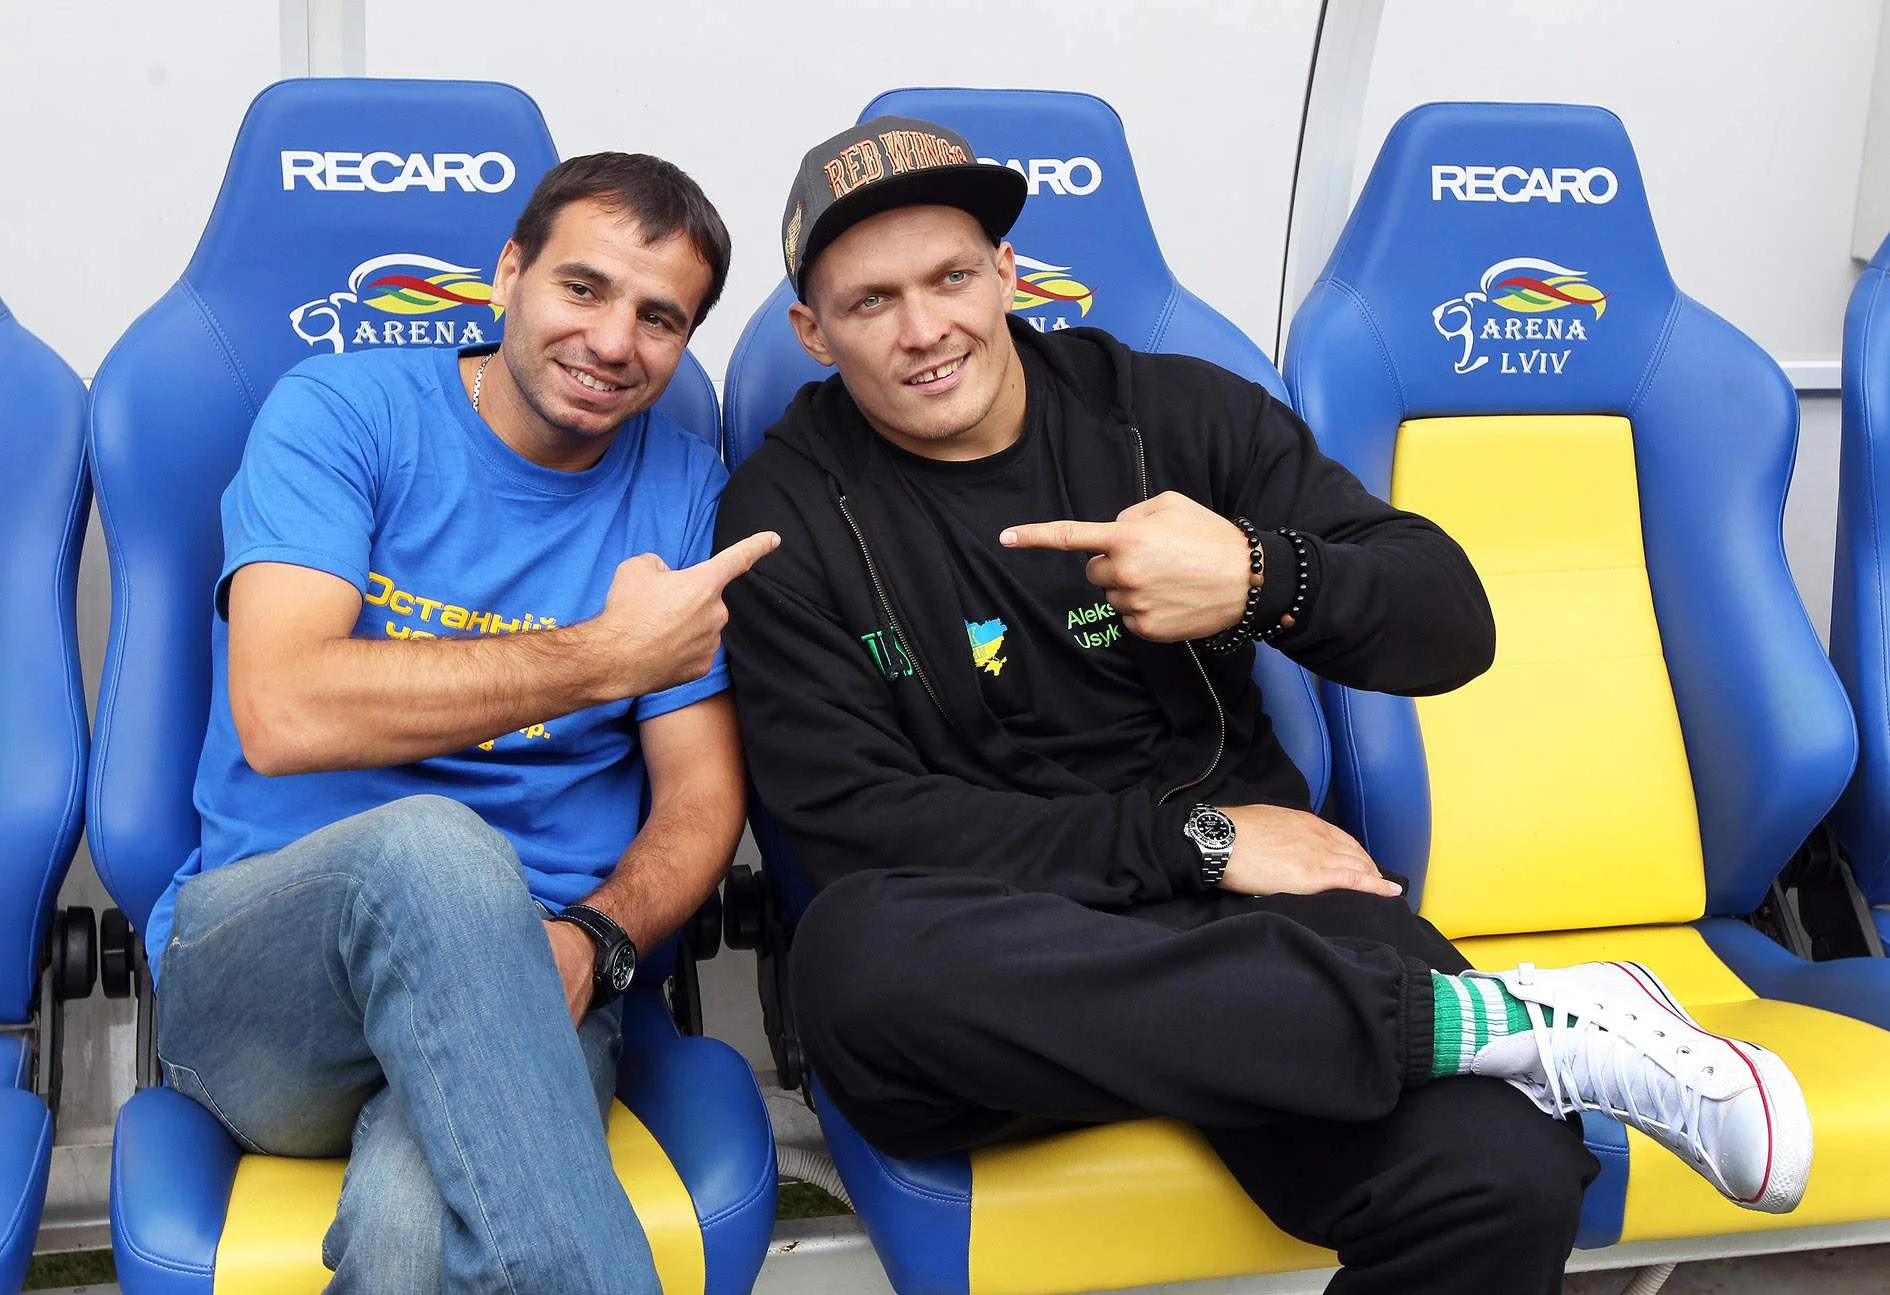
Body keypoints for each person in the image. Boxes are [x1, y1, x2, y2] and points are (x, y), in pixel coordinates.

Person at [714, 115, 1811, 1294]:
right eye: (872, 302)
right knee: (855, 958)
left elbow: (1451, 620)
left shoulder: (1174, 413)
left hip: (1259, 927)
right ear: (813, 333)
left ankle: (1450, 1027)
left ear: (1008, 273)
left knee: (1503, 1172)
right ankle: (1476, 1023)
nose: (926, 328)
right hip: (1012, 949)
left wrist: (1258, 575)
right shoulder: (783, 513)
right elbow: (862, 827)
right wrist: (1200, 839)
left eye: (951, 277)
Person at [149, 152, 778, 1293]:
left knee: (411, 1224)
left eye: (659, 317)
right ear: (508, 274)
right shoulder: (341, 412)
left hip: (540, 975)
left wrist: (597, 937)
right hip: (273, 983)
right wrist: (604, 657)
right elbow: (283, 710)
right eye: (583, 287)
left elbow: (700, 798)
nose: (613, 340)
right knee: (433, 847)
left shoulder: (686, 490)